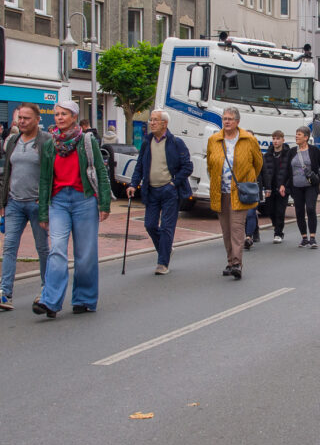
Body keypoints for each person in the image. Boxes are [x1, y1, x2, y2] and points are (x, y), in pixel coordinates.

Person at [33, 101, 111, 319]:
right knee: (57, 249)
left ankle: (84, 299)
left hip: (84, 200)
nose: (59, 117)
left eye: (64, 114)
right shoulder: (50, 144)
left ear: (74, 116)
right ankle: (49, 301)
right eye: (57, 114)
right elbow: (45, 178)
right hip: (58, 202)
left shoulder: (87, 140)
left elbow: (100, 172)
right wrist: (43, 211)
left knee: (85, 253)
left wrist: (104, 203)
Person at [0, 103, 51, 310]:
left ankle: (46, 291)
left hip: (36, 204)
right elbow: (8, 172)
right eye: (20, 118)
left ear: (37, 120)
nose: (22, 121)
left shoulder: (47, 141)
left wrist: (45, 202)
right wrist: (3, 202)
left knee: (42, 249)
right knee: (10, 247)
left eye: (26, 118)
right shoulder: (12, 140)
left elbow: (51, 173)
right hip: (14, 203)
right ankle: (5, 293)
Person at [126, 109, 193, 275]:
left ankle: (162, 263)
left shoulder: (176, 142)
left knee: (166, 228)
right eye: (151, 120)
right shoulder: (146, 142)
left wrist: (173, 183)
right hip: (151, 191)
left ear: (165, 123)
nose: (152, 123)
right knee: (149, 225)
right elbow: (140, 166)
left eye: (155, 120)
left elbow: (187, 167)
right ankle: (166, 248)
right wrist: (133, 184)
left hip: (170, 191)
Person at [206, 106, 262, 279]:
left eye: (230, 119)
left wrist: (248, 178)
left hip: (239, 192)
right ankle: (230, 261)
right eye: (224, 119)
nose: (227, 121)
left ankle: (237, 263)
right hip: (220, 191)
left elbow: (258, 163)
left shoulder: (248, 139)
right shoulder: (214, 140)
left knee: (237, 228)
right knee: (226, 230)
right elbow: (210, 164)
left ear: (237, 121)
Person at [288, 126, 320, 247]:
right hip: (296, 186)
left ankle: (313, 237)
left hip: (311, 186)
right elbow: (286, 170)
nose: (296, 136)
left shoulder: (314, 151)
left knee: (310, 208)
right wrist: (283, 185)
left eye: (299, 134)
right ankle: (304, 238)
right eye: (296, 134)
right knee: (299, 212)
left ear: (306, 137)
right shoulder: (292, 151)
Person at [257, 129, 294, 244]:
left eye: (278, 139)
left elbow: (290, 172)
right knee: (270, 211)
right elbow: (264, 172)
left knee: (280, 211)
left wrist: (285, 185)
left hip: (283, 187)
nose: (275, 141)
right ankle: (276, 225)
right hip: (270, 188)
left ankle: (278, 233)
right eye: (273, 139)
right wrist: (265, 187)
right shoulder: (267, 155)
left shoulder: (288, 155)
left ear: (283, 140)